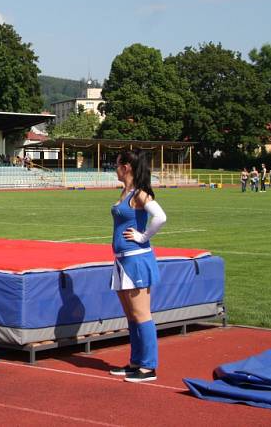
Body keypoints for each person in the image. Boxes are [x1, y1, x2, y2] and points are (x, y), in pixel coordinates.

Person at [108, 150, 167, 383]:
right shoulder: (125, 192)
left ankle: (149, 366)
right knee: (131, 316)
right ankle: (136, 362)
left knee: (142, 313)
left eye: (117, 165)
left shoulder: (139, 193)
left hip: (136, 259)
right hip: (122, 259)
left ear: (127, 167)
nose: (114, 169)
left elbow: (160, 217)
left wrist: (143, 237)